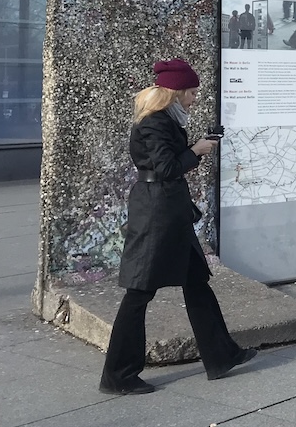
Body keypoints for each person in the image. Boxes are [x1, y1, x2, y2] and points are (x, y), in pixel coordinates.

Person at [99, 59, 257, 395]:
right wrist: (197, 150)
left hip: (170, 212)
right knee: (139, 292)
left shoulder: (164, 120)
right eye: (191, 91)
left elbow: (168, 162)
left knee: (197, 282)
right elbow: (167, 166)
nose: (194, 98)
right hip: (157, 215)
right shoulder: (154, 122)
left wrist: (193, 148)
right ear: (175, 92)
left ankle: (221, 356)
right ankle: (118, 375)